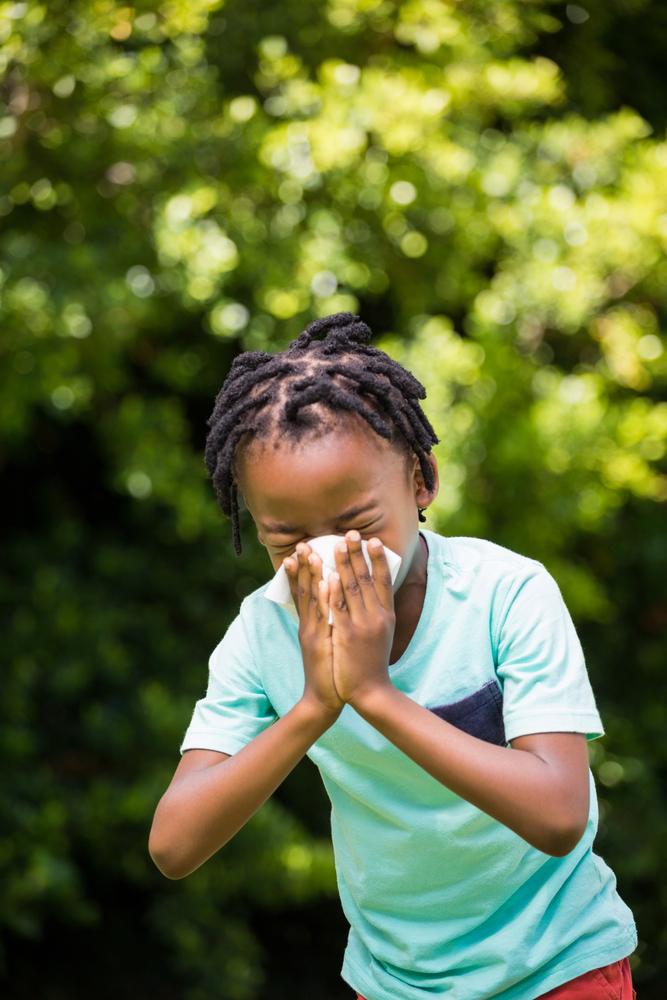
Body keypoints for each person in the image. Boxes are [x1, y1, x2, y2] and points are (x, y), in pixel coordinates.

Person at [148, 312, 638, 999]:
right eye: (287, 539)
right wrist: (317, 705)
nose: (326, 557)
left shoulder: (504, 593)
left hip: (557, 967)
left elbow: (558, 816)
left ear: (421, 481)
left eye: (355, 524)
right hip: (393, 984)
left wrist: (373, 693)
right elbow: (174, 845)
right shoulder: (262, 632)